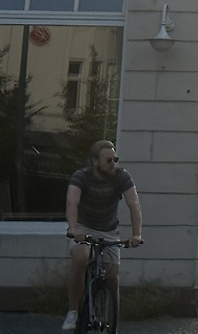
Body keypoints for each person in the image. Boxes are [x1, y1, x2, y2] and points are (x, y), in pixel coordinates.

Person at [63, 140, 143, 331]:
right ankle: (73, 312)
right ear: (95, 162)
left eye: (115, 159)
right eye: (108, 161)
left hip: (109, 230)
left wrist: (136, 234)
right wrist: (74, 228)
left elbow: (134, 204)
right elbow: (72, 202)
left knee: (113, 275)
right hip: (84, 228)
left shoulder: (121, 176)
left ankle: (112, 322)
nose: (113, 164)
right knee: (81, 257)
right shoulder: (81, 176)